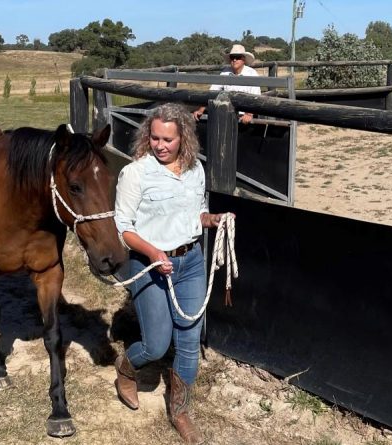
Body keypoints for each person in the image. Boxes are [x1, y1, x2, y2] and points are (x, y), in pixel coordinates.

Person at [113, 103, 233, 444]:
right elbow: (123, 227)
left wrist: (214, 220)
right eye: (154, 138)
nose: (160, 145)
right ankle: (126, 365)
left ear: (183, 138)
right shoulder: (136, 173)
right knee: (155, 344)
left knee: (189, 342)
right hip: (149, 265)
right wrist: (153, 252)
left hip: (191, 261)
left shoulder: (196, 170)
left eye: (168, 139)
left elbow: (197, 214)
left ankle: (180, 411)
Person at [193, 43, 262, 124]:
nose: (234, 60)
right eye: (232, 57)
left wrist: (249, 114)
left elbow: (256, 97)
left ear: (243, 59)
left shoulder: (252, 74)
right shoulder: (225, 73)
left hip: (244, 116)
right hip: (226, 114)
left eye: (238, 57)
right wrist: (201, 110)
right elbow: (212, 91)